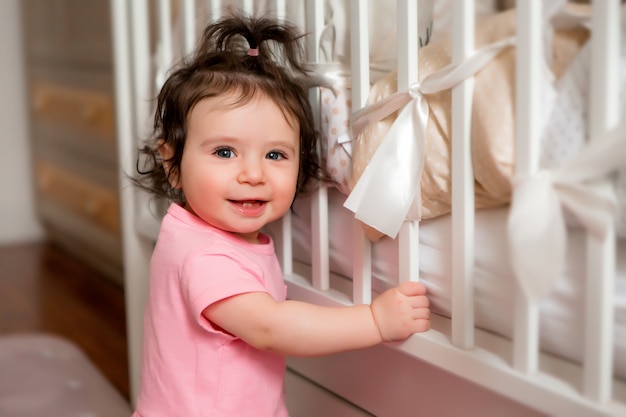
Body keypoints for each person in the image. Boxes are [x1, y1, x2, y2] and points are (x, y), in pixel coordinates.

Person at [131, 12, 430, 417]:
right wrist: (374, 321)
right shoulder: (204, 256)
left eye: (275, 155)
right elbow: (270, 327)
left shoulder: (191, 234)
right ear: (173, 164)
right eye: (224, 152)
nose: (253, 174)